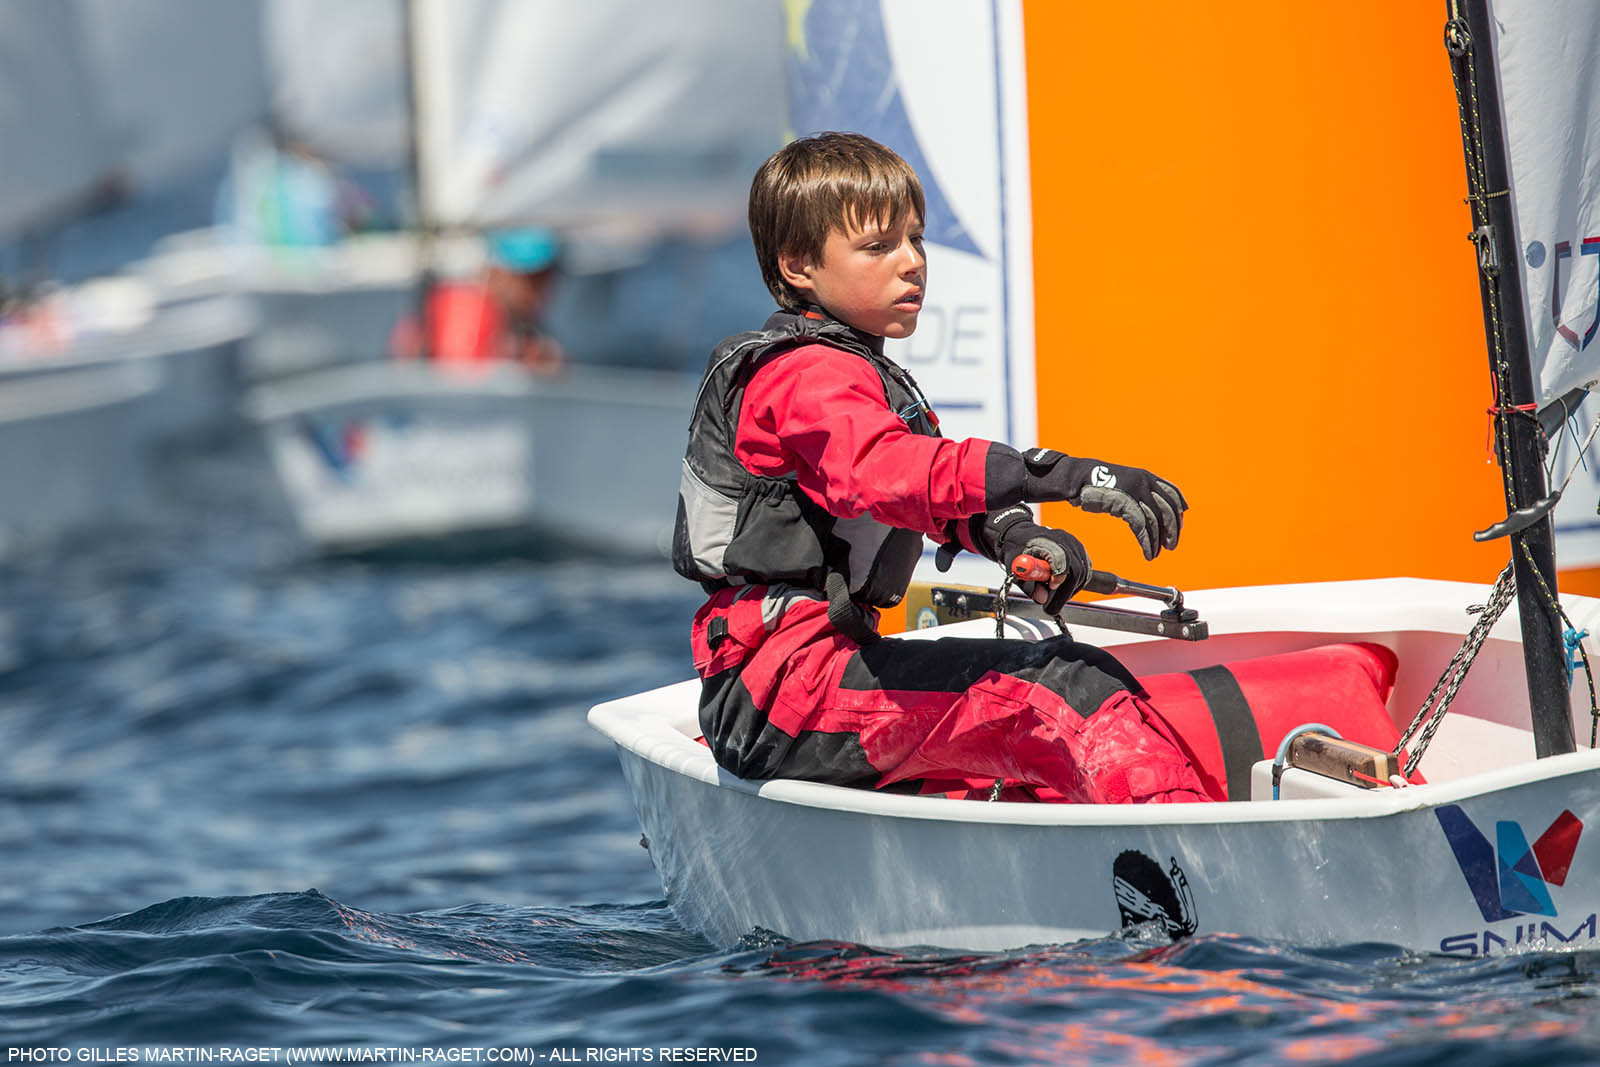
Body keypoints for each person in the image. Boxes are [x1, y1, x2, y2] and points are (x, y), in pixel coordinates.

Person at [672, 132, 1209, 805]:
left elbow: (937, 499)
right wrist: (1068, 477)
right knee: (1068, 690)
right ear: (799, 264)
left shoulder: (858, 374)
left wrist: (1016, 540)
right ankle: (1203, 874)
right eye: (878, 247)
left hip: (822, 673)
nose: (913, 263)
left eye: (916, 240)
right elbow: (885, 473)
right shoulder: (803, 376)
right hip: (780, 692)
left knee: (1038, 754)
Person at [390, 227, 565, 372]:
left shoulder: (522, 325)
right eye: (528, 278)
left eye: (545, 277)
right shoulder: (465, 312)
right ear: (497, 270)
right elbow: (461, 390)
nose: (539, 291)